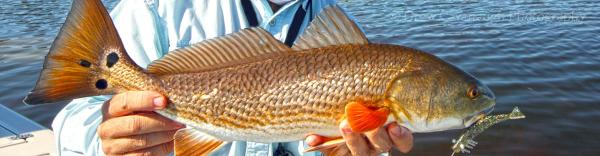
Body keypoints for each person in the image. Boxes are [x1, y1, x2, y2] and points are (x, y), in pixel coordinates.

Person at [51, 0, 413, 155]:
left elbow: (317, 141)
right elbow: (68, 121)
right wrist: (106, 137)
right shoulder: (159, 6)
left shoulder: (343, 34)